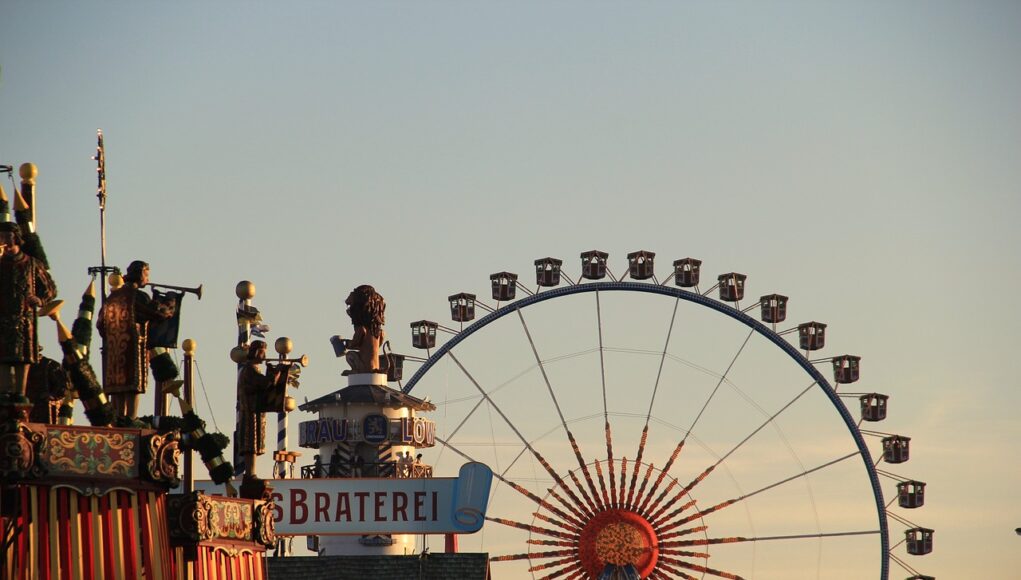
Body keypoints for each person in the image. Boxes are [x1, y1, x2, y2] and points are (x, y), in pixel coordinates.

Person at [97, 260, 173, 418]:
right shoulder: (138, 296)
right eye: (146, 274)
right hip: (133, 347)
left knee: (118, 387)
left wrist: (112, 336)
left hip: (113, 350)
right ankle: (131, 418)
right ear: (139, 275)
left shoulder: (112, 297)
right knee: (133, 386)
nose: (147, 278)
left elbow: (100, 324)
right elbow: (157, 314)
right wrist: (170, 305)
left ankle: (118, 417)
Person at [0, 222, 57, 399]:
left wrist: (40, 300)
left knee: (23, 357)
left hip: (25, 318)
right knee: (3, 356)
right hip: (2, 318)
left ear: (15, 237)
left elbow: (49, 289)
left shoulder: (31, 263)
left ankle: (19, 392)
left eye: (7, 236)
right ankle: (4, 391)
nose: (4, 240)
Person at [235, 340, 274, 478]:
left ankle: (251, 472)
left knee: (253, 445)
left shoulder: (252, 368)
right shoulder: (250, 369)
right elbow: (266, 383)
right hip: (250, 412)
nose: (264, 356)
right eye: (263, 352)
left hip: (254, 411)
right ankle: (250, 473)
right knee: (250, 445)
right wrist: (275, 372)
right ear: (257, 352)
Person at [340, 285, 387, 375]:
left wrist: (347, 344)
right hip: (375, 366)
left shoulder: (361, 328)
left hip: (364, 367)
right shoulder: (379, 332)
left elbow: (357, 342)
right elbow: (372, 345)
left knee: (349, 355)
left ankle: (356, 370)